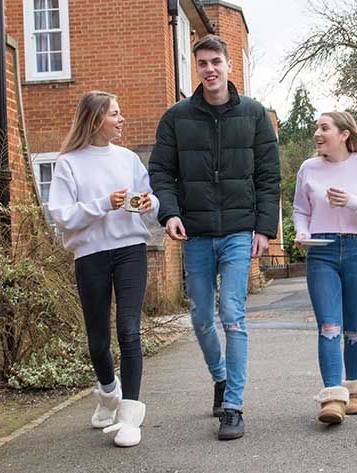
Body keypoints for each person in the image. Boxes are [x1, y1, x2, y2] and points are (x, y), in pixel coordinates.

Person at [148, 34, 280, 440]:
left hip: (240, 231)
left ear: (228, 65)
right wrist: (169, 213)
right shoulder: (176, 117)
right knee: (202, 318)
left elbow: (268, 177)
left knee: (232, 316)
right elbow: (160, 173)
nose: (210, 69)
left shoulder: (255, 115)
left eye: (216, 61)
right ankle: (220, 377)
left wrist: (264, 228)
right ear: (197, 68)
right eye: (202, 63)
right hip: (198, 234)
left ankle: (233, 406)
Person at [48, 91, 159, 447]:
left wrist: (147, 204)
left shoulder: (128, 159)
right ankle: (109, 393)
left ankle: (129, 418)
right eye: (115, 114)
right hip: (91, 255)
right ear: (96, 120)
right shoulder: (69, 163)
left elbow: (153, 202)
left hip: (130, 249)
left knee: (129, 331)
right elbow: (61, 215)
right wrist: (102, 204)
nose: (122, 119)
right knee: (97, 341)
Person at [293, 111, 357, 424]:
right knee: (328, 326)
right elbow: (300, 210)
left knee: (354, 328)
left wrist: (352, 200)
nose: (317, 134)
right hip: (320, 252)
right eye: (316, 128)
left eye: (324, 128)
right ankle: (333, 397)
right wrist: (302, 233)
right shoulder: (308, 168)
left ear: (344, 134)